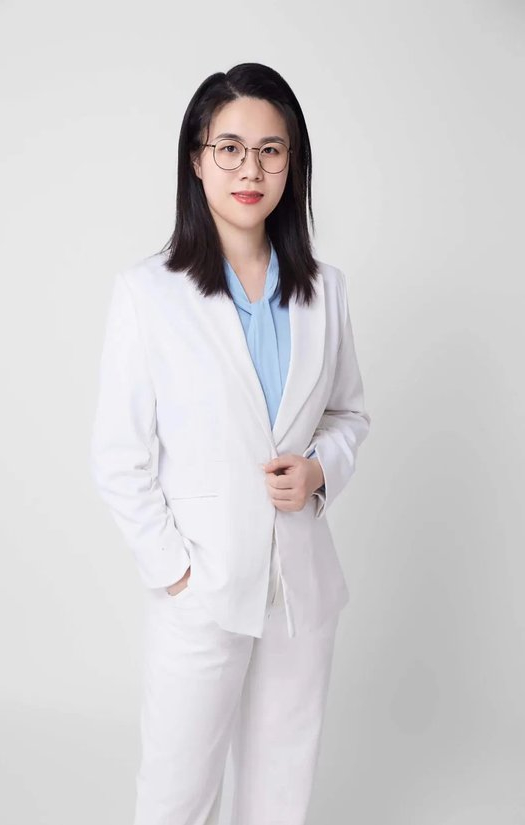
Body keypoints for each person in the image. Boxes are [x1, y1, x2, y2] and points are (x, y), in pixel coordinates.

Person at [90, 62, 371, 825]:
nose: (251, 169)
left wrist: (319, 470)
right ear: (197, 157)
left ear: (293, 163)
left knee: (281, 791)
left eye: (271, 151)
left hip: (300, 586)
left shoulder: (326, 290)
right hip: (203, 584)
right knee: (177, 793)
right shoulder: (149, 292)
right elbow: (118, 456)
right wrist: (175, 572)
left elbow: (349, 414)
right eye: (231, 148)